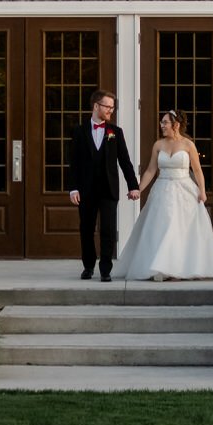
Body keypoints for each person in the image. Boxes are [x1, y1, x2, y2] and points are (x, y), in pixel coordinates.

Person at [110, 110, 213, 281]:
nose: (162, 125)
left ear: (176, 125)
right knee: (164, 227)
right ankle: (162, 267)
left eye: (165, 122)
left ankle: (181, 268)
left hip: (185, 190)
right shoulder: (158, 145)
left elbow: (197, 170)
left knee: (181, 230)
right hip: (163, 190)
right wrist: (138, 189)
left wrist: (202, 191)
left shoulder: (188, 145)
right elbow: (151, 170)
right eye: (161, 122)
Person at [68, 89, 140, 281]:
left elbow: (125, 161)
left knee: (108, 230)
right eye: (107, 106)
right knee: (86, 229)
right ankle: (88, 266)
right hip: (86, 190)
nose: (110, 110)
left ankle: (106, 270)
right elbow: (74, 163)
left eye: (112, 107)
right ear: (96, 106)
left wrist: (133, 186)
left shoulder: (116, 132)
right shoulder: (79, 131)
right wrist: (73, 188)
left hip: (109, 189)